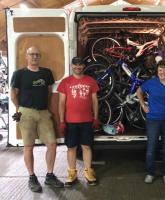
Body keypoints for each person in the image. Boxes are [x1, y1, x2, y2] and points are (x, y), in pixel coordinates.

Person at [10, 46, 64, 193]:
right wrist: (19, 110)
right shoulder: (19, 74)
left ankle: (50, 175)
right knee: (28, 146)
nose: (34, 57)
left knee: (52, 144)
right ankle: (32, 177)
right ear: (26, 56)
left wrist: (46, 108)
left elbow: (48, 92)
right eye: (32, 54)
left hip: (43, 112)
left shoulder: (46, 73)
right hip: (26, 113)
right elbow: (13, 94)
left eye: (37, 55)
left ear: (40, 57)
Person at [57, 57, 99, 186]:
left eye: (80, 65)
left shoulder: (91, 81)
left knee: (86, 146)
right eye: (75, 65)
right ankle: (72, 173)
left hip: (86, 120)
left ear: (83, 67)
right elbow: (61, 103)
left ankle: (88, 172)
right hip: (70, 122)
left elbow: (95, 101)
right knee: (71, 148)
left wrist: (96, 118)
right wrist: (62, 121)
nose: (78, 67)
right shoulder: (65, 82)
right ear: (71, 66)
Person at [136, 60, 165, 184]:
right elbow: (139, 91)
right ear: (157, 72)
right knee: (151, 149)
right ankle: (150, 173)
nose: (162, 72)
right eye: (160, 70)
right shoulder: (151, 83)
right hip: (153, 120)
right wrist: (143, 105)